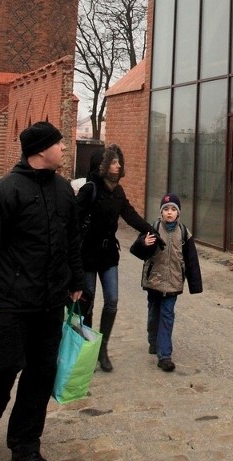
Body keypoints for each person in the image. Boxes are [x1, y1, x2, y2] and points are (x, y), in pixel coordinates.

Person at [0, 121, 84, 461]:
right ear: (40, 150)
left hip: (50, 304)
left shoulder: (65, 191)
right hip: (11, 304)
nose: (65, 148)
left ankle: (25, 445)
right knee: (2, 370)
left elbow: (73, 240)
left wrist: (76, 281)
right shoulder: (5, 192)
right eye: (59, 143)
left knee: (40, 376)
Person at [76, 144, 157, 372]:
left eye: (118, 161)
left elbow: (130, 215)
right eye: (113, 162)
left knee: (112, 301)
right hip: (88, 256)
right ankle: (89, 349)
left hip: (109, 254)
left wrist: (152, 230)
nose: (118, 165)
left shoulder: (117, 191)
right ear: (102, 166)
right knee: (87, 305)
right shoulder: (90, 190)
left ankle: (103, 349)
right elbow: (72, 223)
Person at [130, 193, 203, 372]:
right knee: (154, 314)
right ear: (161, 213)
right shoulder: (153, 229)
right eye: (166, 209)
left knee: (167, 316)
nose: (169, 213)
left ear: (178, 213)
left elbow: (191, 261)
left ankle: (165, 356)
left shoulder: (184, 234)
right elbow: (136, 251)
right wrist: (144, 243)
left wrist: (195, 285)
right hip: (154, 282)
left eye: (173, 210)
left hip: (173, 282)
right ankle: (153, 340)